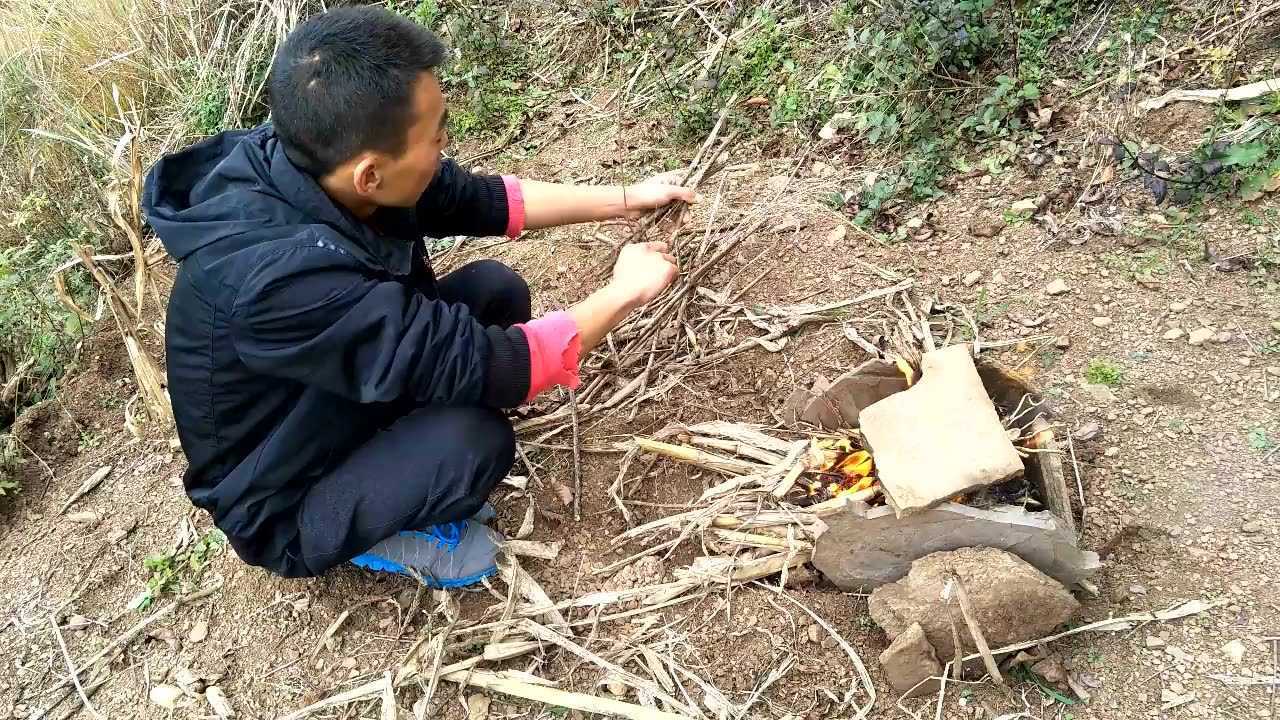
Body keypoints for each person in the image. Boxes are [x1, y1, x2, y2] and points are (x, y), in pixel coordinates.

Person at [141, 6, 694, 589]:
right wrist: (624, 292)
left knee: (494, 291)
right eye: (436, 135)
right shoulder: (278, 281)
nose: (445, 144)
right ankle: (372, 536)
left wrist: (627, 197)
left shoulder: (312, 157)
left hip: (319, 394)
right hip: (284, 490)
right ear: (370, 175)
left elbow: (474, 199)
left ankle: (395, 458)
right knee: (473, 443)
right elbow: (498, 366)